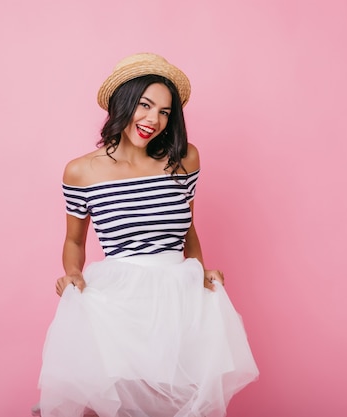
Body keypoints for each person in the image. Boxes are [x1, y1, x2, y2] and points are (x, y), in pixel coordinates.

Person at [34, 53, 258, 417]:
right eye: (144, 105)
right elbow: (74, 241)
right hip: (118, 301)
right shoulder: (81, 172)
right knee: (113, 400)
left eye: (165, 112)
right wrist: (73, 274)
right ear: (122, 104)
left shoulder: (184, 159)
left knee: (176, 402)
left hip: (177, 298)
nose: (154, 120)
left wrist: (199, 272)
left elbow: (188, 228)